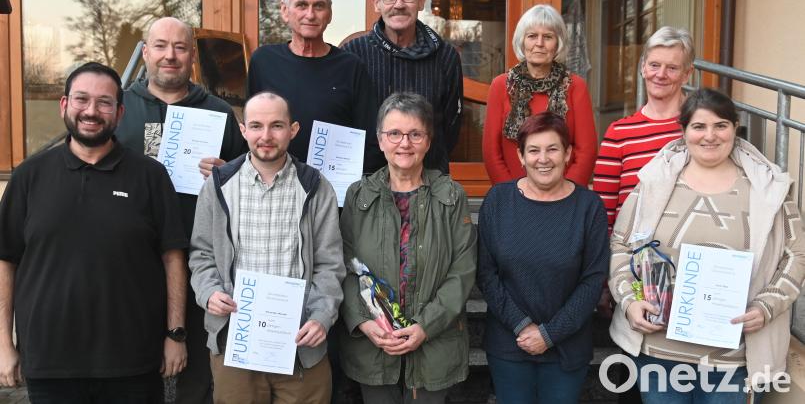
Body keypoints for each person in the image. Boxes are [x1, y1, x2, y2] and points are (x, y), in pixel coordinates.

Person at [0, 62, 188, 401]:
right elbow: (6, 262)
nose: (91, 111)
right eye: (81, 99)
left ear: (119, 112)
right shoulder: (28, 176)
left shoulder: (150, 176)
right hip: (49, 363)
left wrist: (175, 334)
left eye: (104, 102)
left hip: (133, 363)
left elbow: (173, 258)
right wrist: (3, 344)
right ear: (64, 105)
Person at [608, 88, 805, 403]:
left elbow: (797, 254)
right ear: (684, 130)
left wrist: (768, 306)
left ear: (735, 127)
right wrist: (629, 301)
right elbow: (621, 243)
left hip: (734, 357)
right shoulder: (655, 181)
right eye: (699, 126)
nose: (709, 136)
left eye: (720, 125)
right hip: (660, 352)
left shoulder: (768, 188)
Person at [115, 16, 246, 404]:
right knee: (133, 370)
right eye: (160, 46)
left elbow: (250, 183)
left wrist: (228, 173)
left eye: (180, 47)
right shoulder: (120, 109)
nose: (170, 55)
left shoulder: (219, 112)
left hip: (199, 260)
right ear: (145, 52)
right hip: (132, 263)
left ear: (192, 55)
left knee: (195, 376)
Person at [189, 92, 345, 403]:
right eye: (256, 126)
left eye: (277, 125)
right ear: (243, 129)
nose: (266, 136)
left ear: (293, 130)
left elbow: (330, 263)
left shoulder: (315, 186)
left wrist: (321, 316)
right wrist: (209, 293)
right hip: (235, 341)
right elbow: (201, 253)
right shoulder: (218, 185)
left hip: (301, 343)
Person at [338, 93, 477, 403]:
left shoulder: (451, 196)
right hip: (374, 345)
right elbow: (344, 264)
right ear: (380, 140)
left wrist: (425, 326)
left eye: (415, 134)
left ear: (428, 141)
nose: (404, 143)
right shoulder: (359, 196)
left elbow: (463, 271)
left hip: (435, 345)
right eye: (394, 134)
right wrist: (363, 321)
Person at [477, 112, 609, 403]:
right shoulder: (498, 201)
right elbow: (486, 274)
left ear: (568, 153)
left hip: (567, 347)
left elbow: (593, 279)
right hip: (510, 343)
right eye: (534, 150)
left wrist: (550, 334)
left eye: (552, 149)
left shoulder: (589, 207)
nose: (543, 159)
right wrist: (522, 325)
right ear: (521, 156)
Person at [248, 0, 383, 174]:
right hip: (272, 184)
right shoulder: (263, 61)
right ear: (285, 11)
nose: (310, 15)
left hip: (333, 187)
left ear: (329, 13)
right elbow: (250, 130)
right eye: (302, 5)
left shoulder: (351, 67)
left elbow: (370, 138)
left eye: (319, 6)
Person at [342, 0, 463, 175]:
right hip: (368, 181)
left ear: (421, 1)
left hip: (429, 180)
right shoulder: (353, 54)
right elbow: (343, 121)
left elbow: (451, 124)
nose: (399, 4)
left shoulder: (445, 56)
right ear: (376, 3)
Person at [483, 4, 597, 186]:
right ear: (522, 42)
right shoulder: (501, 86)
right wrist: (511, 194)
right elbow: (491, 153)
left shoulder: (576, 86)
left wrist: (566, 193)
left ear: (558, 44)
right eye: (532, 36)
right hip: (513, 194)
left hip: (565, 194)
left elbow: (586, 152)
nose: (539, 43)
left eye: (548, 37)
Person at [593, 26, 694, 231]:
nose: (661, 74)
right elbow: (604, 212)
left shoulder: (700, 131)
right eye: (654, 65)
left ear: (687, 74)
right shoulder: (619, 133)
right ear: (643, 68)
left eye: (672, 68)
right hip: (630, 247)